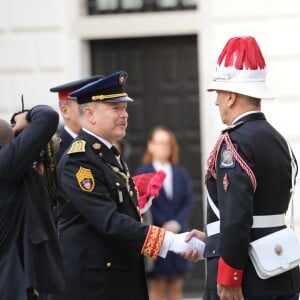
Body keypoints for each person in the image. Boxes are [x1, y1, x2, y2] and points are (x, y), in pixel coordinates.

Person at [50, 70, 205, 300]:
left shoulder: (109, 153)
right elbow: (110, 222)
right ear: (90, 114)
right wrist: (173, 242)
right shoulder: (79, 160)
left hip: (117, 278)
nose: (125, 115)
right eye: (115, 108)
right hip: (96, 286)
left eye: (125, 107)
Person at [182, 36, 300, 300]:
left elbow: (237, 216)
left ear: (232, 97)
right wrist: (211, 237)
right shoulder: (279, 140)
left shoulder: (233, 143)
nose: (216, 103)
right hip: (280, 272)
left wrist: (230, 275)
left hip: (245, 278)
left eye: (219, 95)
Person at [0, 105, 65, 299]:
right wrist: (27, 117)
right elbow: (48, 117)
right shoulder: (6, 164)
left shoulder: (12, 168)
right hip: (12, 283)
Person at [135, 126, 194, 300]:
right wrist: (164, 225)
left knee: (176, 286)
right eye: (159, 143)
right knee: (157, 287)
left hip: (178, 234)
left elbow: (188, 201)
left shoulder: (180, 173)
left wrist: (176, 223)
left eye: (167, 143)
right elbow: (144, 205)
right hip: (156, 236)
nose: (163, 147)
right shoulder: (143, 173)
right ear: (150, 145)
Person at [50, 75, 104, 161]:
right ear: (65, 111)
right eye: (84, 105)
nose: (91, 111)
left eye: (95, 105)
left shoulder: (102, 143)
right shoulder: (55, 151)